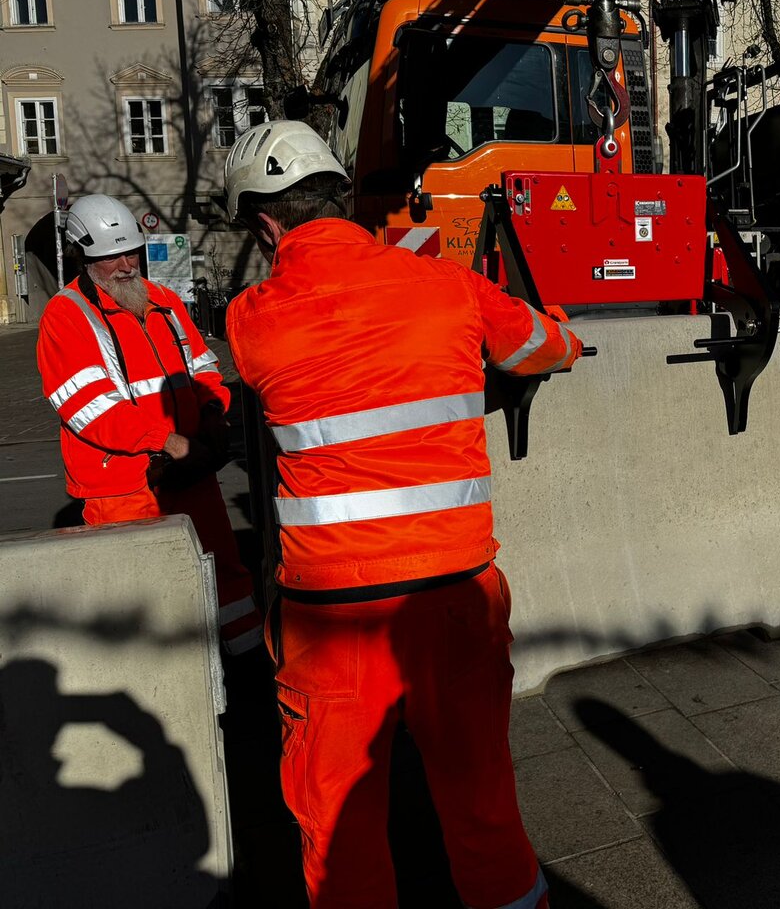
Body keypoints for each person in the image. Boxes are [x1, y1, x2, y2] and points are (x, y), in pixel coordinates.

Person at [222, 120, 581, 909]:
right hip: (456, 596)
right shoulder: (448, 284)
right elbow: (547, 348)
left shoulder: (251, 319)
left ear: (266, 223)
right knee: (483, 807)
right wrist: (554, 328)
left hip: (332, 620)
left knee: (339, 833)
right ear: (341, 199)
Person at [36, 195, 263, 659]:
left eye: (131, 252)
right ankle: (164, 688)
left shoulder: (162, 300)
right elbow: (90, 408)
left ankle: (248, 662)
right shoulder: (66, 315)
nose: (125, 265)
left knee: (226, 575)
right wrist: (169, 441)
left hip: (187, 468)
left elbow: (202, 368)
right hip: (122, 486)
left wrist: (214, 415)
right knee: (141, 595)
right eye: (110, 257)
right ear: (82, 256)